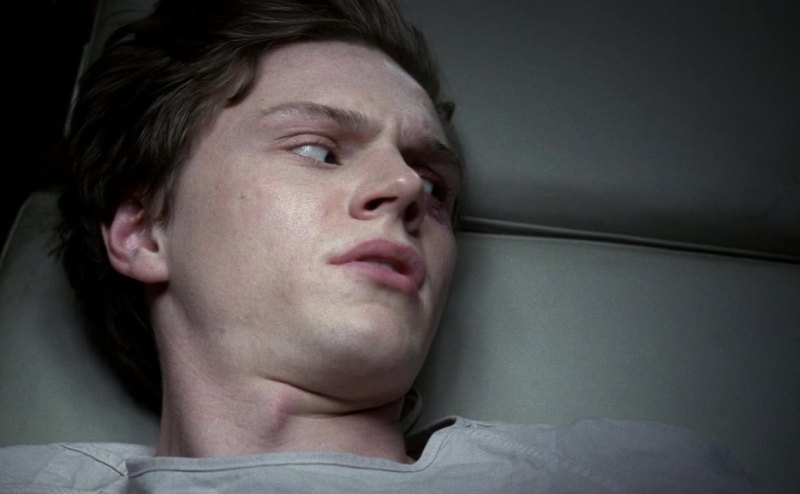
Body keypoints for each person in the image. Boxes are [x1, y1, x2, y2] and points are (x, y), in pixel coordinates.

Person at [1, 0, 754, 492]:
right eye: (319, 150)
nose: (404, 188)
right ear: (142, 233)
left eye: (434, 182)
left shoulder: (635, 476)